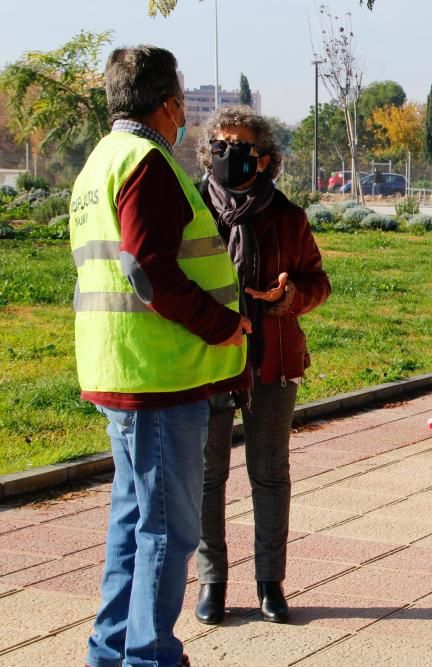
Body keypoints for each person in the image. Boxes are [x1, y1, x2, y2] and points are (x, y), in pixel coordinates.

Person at [70, 46, 250, 667]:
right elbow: (147, 268)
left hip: (120, 366)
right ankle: (149, 657)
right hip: (157, 376)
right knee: (168, 531)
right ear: (170, 103)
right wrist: (221, 324)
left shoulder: (101, 160)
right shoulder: (147, 163)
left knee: (133, 525)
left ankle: (111, 649)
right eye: (182, 101)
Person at [193, 106, 331, 625]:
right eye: (221, 146)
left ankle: (270, 583)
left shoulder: (287, 216)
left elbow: (319, 282)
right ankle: (213, 583)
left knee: (270, 474)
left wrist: (290, 295)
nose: (229, 155)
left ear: (266, 159)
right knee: (208, 477)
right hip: (205, 361)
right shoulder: (192, 207)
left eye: (242, 147)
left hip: (272, 362)